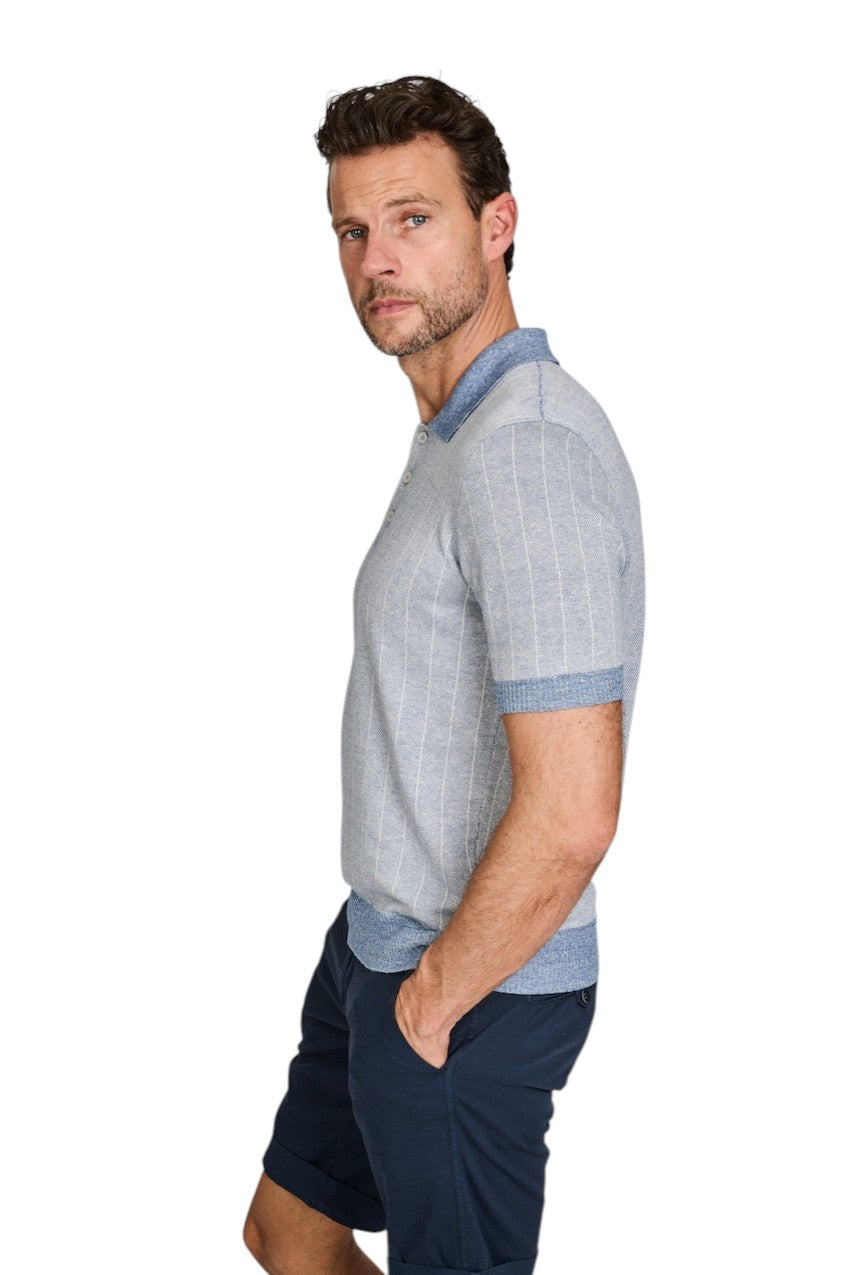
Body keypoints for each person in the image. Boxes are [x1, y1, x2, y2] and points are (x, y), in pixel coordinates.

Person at [244, 76, 644, 1275]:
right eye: (352, 229)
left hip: (469, 996)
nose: (376, 260)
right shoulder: (457, 432)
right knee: (287, 1231)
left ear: (497, 224)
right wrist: (384, 971)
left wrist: (429, 1006)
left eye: (413, 219)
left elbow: (574, 813)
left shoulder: (524, 450)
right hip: (380, 942)